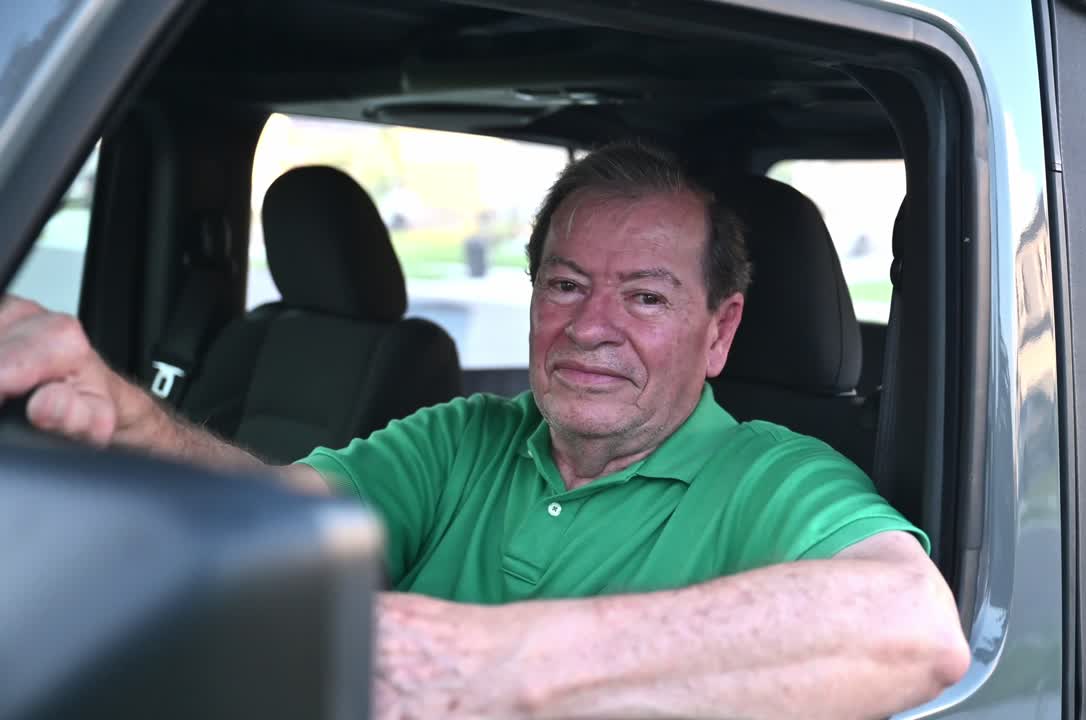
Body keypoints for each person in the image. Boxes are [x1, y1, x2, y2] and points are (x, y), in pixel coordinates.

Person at [0, 142, 969, 719]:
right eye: (564, 285)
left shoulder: (770, 477)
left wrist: (484, 667)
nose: (591, 327)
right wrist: (121, 412)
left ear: (717, 332)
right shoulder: (466, 436)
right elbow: (268, 519)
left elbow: (914, 628)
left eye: (644, 297)